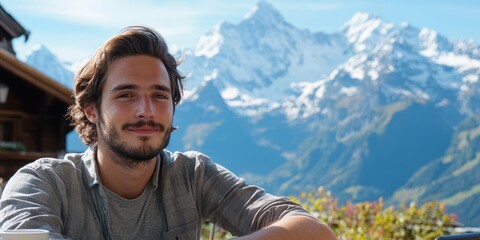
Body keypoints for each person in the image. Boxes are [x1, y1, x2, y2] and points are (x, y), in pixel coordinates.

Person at [0, 26, 337, 240]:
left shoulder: (193, 176)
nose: (146, 110)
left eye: (159, 95)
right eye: (126, 94)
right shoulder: (43, 183)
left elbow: (313, 232)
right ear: (91, 108)